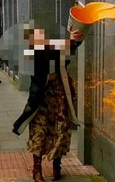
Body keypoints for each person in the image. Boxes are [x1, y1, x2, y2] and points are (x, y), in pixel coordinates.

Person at [12, 28, 83, 182]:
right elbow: (48, 60)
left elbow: (67, 50)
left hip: (59, 99)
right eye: (36, 40)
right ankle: (36, 170)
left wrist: (75, 39)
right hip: (40, 102)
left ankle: (57, 166)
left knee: (60, 131)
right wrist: (70, 42)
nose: (40, 41)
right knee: (39, 132)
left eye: (41, 38)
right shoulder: (32, 56)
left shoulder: (51, 48)